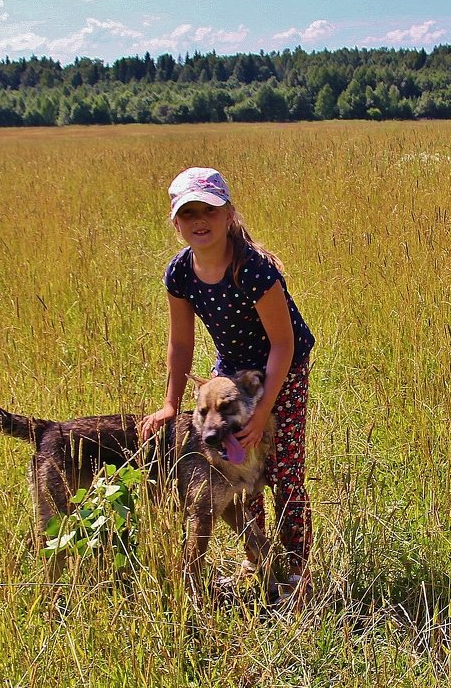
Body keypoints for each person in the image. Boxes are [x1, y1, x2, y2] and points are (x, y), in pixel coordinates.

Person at [138, 166, 316, 602]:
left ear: (229, 213)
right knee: (236, 469)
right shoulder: (180, 273)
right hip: (233, 370)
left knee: (283, 472)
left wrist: (261, 412)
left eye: (210, 210)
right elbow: (181, 342)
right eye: (189, 212)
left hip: (282, 372)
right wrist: (169, 404)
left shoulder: (252, 271)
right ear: (175, 222)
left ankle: (297, 570)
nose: (200, 220)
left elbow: (283, 344)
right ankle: (259, 560)